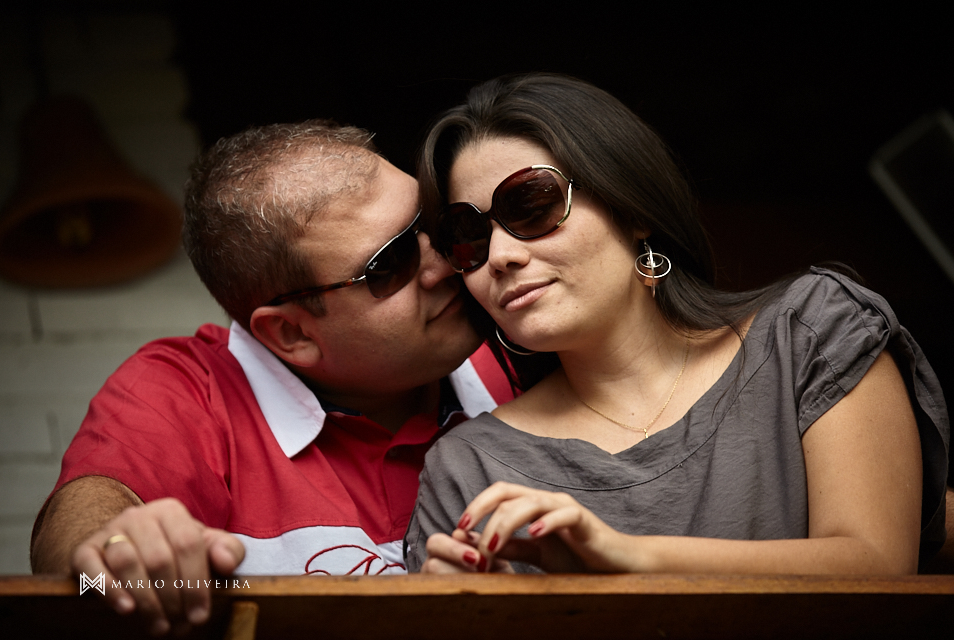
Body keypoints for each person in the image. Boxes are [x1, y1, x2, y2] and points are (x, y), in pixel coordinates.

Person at [404, 73, 950, 575]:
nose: (500, 255)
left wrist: (625, 555)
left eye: (530, 204)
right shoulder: (468, 466)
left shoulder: (809, 333)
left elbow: (876, 566)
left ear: (632, 207)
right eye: (468, 236)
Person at [29, 121, 514, 635]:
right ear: (290, 334)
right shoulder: (187, 387)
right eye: (390, 264)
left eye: (431, 222)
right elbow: (77, 556)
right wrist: (120, 549)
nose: (445, 262)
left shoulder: (514, 338)